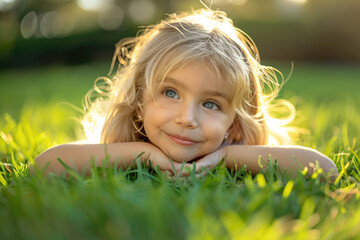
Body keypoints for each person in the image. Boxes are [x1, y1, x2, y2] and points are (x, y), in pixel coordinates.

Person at [32, 8, 338, 178]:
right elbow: (43, 167)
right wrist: (143, 154)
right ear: (139, 102)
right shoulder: (124, 148)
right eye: (170, 93)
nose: (186, 118)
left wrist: (225, 157)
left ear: (233, 123)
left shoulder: (238, 157)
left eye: (210, 103)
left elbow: (325, 169)